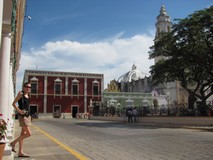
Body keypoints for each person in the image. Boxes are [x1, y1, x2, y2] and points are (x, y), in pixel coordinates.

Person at [10, 82, 32, 157]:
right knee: (29, 134)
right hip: (22, 117)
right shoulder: (20, 94)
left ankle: (20, 152)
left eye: (30, 87)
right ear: (23, 87)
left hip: (27, 116)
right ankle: (13, 143)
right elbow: (13, 103)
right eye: (27, 87)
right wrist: (19, 111)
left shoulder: (27, 95)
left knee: (22, 134)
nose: (28, 88)